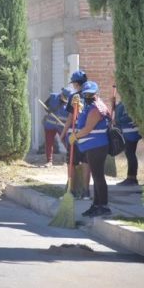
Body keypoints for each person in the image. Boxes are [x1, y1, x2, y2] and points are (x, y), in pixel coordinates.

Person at [70, 81, 111, 217]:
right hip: (92, 146)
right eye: (85, 94)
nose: (87, 96)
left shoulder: (96, 108)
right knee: (96, 176)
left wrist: (75, 136)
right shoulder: (90, 106)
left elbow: (88, 128)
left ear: (96, 93)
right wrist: (77, 107)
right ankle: (96, 205)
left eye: (90, 94)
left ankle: (103, 206)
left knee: (98, 176)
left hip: (97, 146)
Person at [61, 70, 90, 199]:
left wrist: (62, 133)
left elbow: (70, 117)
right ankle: (86, 192)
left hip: (75, 134)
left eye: (73, 83)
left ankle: (71, 191)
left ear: (77, 84)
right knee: (85, 162)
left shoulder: (74, 97)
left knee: (71, 163)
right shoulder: (92, 96)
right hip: (89, 135)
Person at [42, 87, 71, 166]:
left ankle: (70, 160)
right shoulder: (53, 97)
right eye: (64, 97)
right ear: (61, 94)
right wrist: (48, 109)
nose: (65, 100)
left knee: (67, 142)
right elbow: (45, 105)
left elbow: (70, 116)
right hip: (50, 124)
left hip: (62, 126)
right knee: (49, 142)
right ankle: (49, 161)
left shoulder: (70, 103)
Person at [115, 101, 142, 186]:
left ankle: (132, 178)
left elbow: (128, 117)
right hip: (126, 131)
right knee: (129, 154)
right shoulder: (122, 102)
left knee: (130, 154)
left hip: (131, 131)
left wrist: (118, 120)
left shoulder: (129, 102)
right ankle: (130, 177)